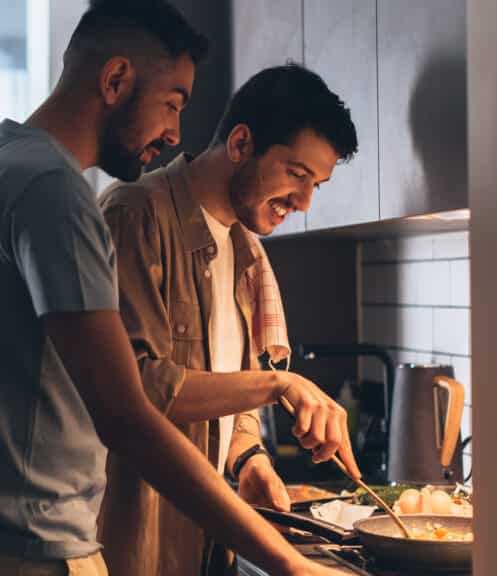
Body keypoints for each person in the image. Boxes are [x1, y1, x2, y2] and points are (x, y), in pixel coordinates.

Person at [0, 1, 350, 574]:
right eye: (172, 104)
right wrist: (286, 563)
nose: (176, 132)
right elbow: (126, 415)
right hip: (22, 549)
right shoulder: (55, 192)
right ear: (116, 80)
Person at [96, 63, 361, 575]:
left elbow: (219, 387)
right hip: (133, 547)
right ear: (240, 144)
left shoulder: (244, 252)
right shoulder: (135, 216)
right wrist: (277, 384)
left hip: (204, 547)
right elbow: (134, 389)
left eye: (317, 186)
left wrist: (248, 459)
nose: (304, 203)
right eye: (296, 174)